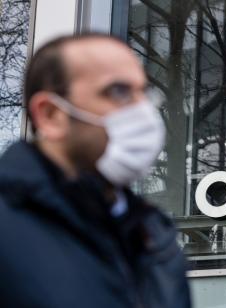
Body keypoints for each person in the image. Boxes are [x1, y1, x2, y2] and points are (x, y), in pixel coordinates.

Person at [0, 33, 191, 308]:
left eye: (144, 93)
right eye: (119, 92)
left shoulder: (155, 239)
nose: (143, 111)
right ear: (51, 115)